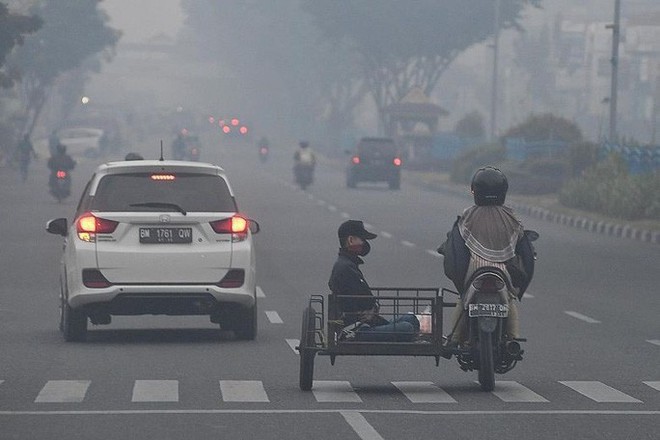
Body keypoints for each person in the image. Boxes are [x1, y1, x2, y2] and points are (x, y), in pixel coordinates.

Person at [438, 166, 536, 348]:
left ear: (475, 190)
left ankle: (455, 338)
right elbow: (524, 247)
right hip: (503, 270)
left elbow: (456, 247)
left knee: (463, 299)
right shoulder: (512, 217)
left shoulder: (467, 215)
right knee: (509, 299)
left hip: (474, 269)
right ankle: (513, 340)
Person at [328, 220, 420, 342]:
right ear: (350, 240)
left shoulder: (347, 264)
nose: (364, 244)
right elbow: (364, 303)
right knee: (407, 328)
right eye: (362, 239)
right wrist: (373, 308)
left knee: (411, 319)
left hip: (364, 322)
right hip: (355, 330)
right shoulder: (345, 268)